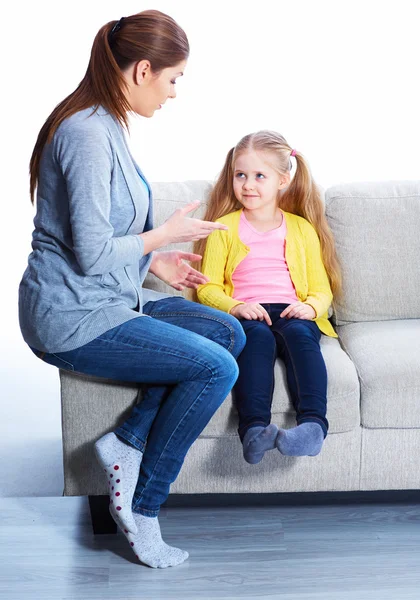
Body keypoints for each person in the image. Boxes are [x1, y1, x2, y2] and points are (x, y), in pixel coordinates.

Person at [19, 10, 246, 569]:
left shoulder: (106, 123)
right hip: (71, 316)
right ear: (144, 70)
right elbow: (92, 253)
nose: (174, 94)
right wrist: (160, 236)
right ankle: (143, 507)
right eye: (174, 79)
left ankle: (128, 440)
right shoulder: (86, 133)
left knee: (226, 329)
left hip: (108, 298)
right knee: (217, 367)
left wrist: (158, 261)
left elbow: (103, 240)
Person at [196, 130, 342, 465]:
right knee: (256, 342)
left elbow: (322, 289)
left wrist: (311, 307)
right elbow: (207, 287)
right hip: (248, 315)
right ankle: (253, 431)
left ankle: (313, 427)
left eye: (259, 176)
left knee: (302, 341)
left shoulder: (302, 229)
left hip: (293, 312)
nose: (248, 185)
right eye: (240, 175)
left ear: (283, 180)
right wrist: (237, 306)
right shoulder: (224, 227)